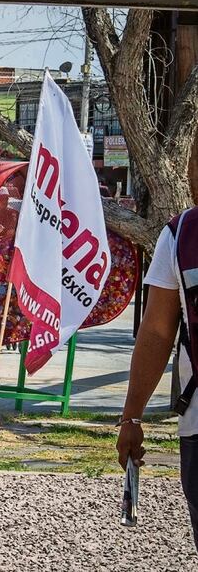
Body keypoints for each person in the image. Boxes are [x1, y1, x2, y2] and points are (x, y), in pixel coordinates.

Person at [117, 205, 198, 550]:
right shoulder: (182, 234)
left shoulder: (183, 233)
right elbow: (156, 332)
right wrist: (132, 415)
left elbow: (157, 333)